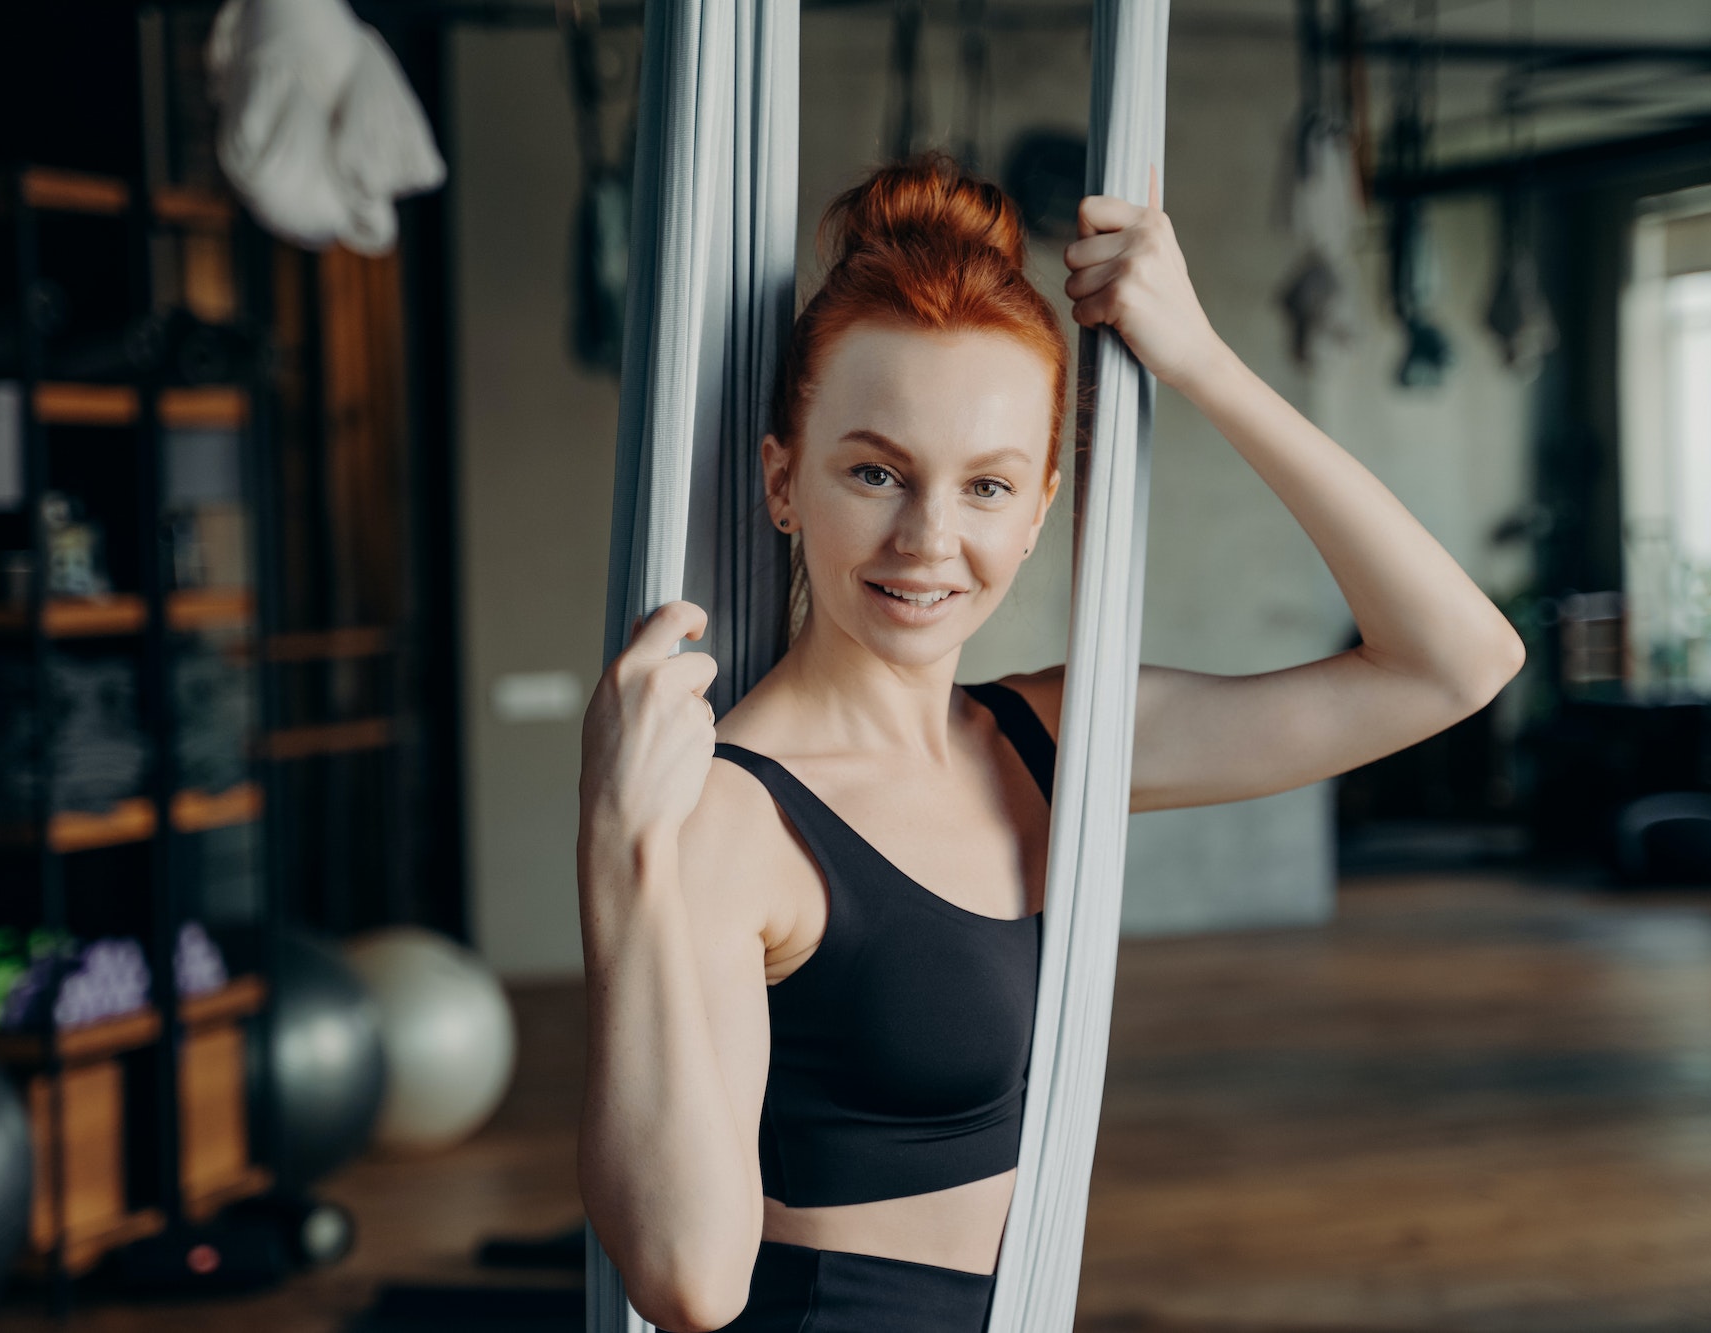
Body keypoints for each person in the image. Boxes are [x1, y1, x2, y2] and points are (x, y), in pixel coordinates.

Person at [576, 151, 1524, 1333]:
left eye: (985, 487)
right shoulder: (733, 818)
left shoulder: (1048, 738)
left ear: (1036, 515)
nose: (926, 538)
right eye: (873, 470)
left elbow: (1456, 662)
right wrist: (622, 859)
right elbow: (688, 1281)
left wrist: (1200, 360)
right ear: (782, 480)